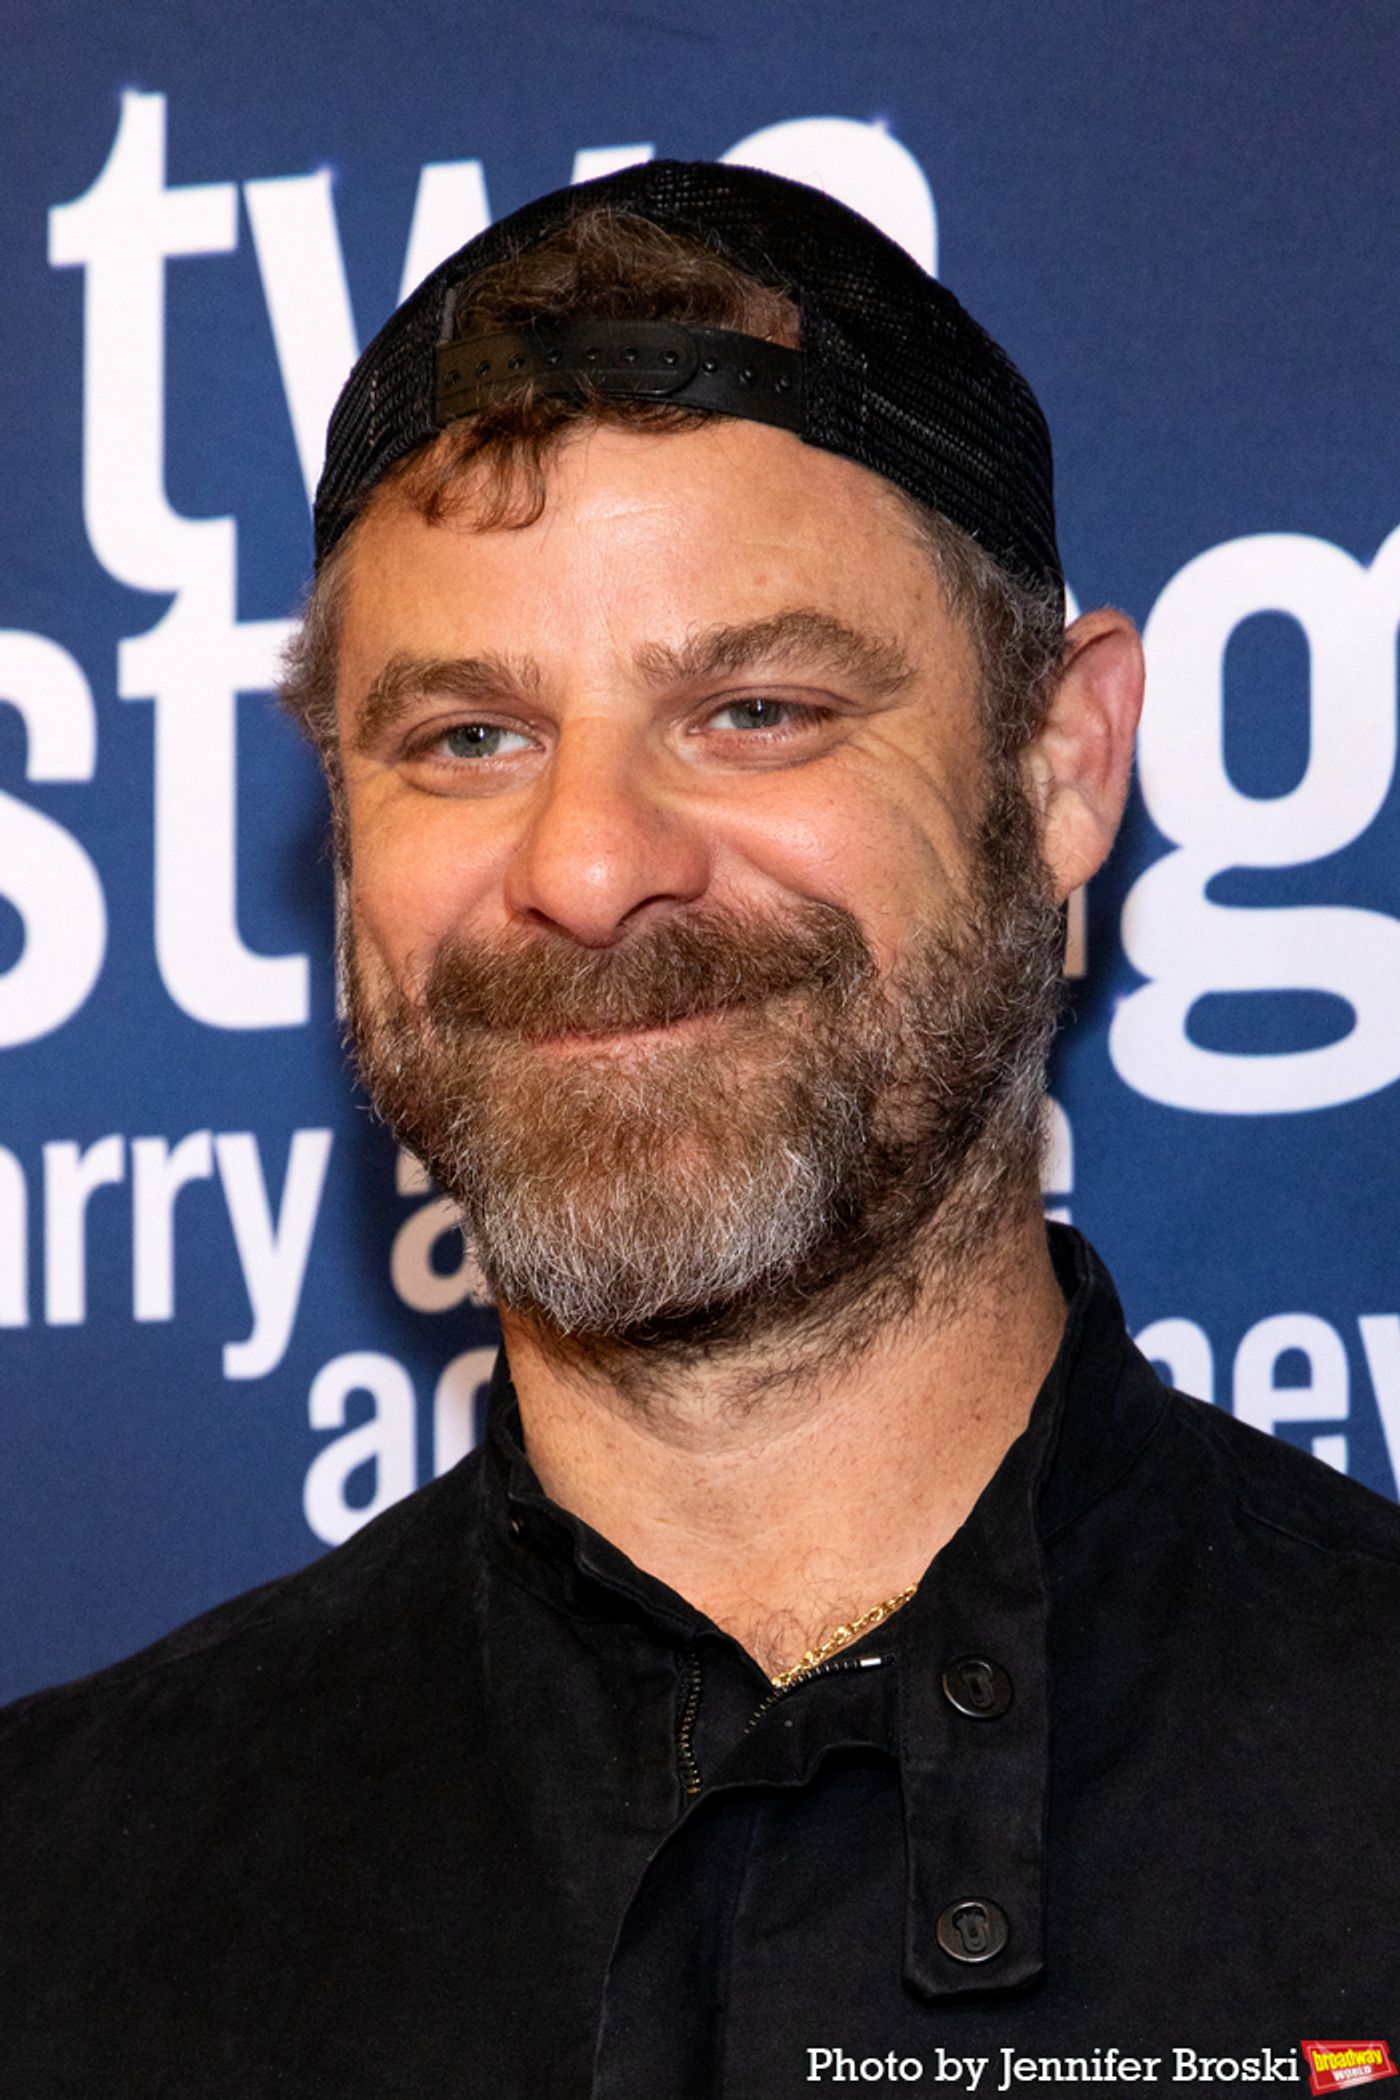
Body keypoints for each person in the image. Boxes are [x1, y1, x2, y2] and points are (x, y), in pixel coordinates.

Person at [2, 161, 1397, 2096]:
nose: (588, 867)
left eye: (752, 707)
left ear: (1067, 761)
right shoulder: (57, 1890)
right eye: (467, 738)